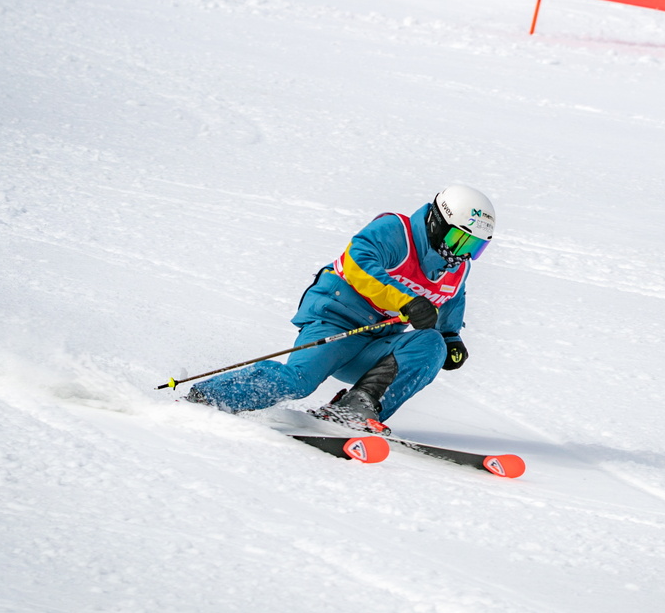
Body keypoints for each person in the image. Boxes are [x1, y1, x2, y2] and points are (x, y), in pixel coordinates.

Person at [186, 185, 495, 433]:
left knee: (432, 344)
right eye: (458, 239)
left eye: (473, 248)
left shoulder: (455, 268)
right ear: (437, 222)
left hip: (377, 343)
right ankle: (209, 396)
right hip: (336, 325)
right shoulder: (395, 231)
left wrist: (450, 334)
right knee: (298, 382)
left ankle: (355, 408)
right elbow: (358, 265)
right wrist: (405, 300)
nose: (460, 254)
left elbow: (452, 298)